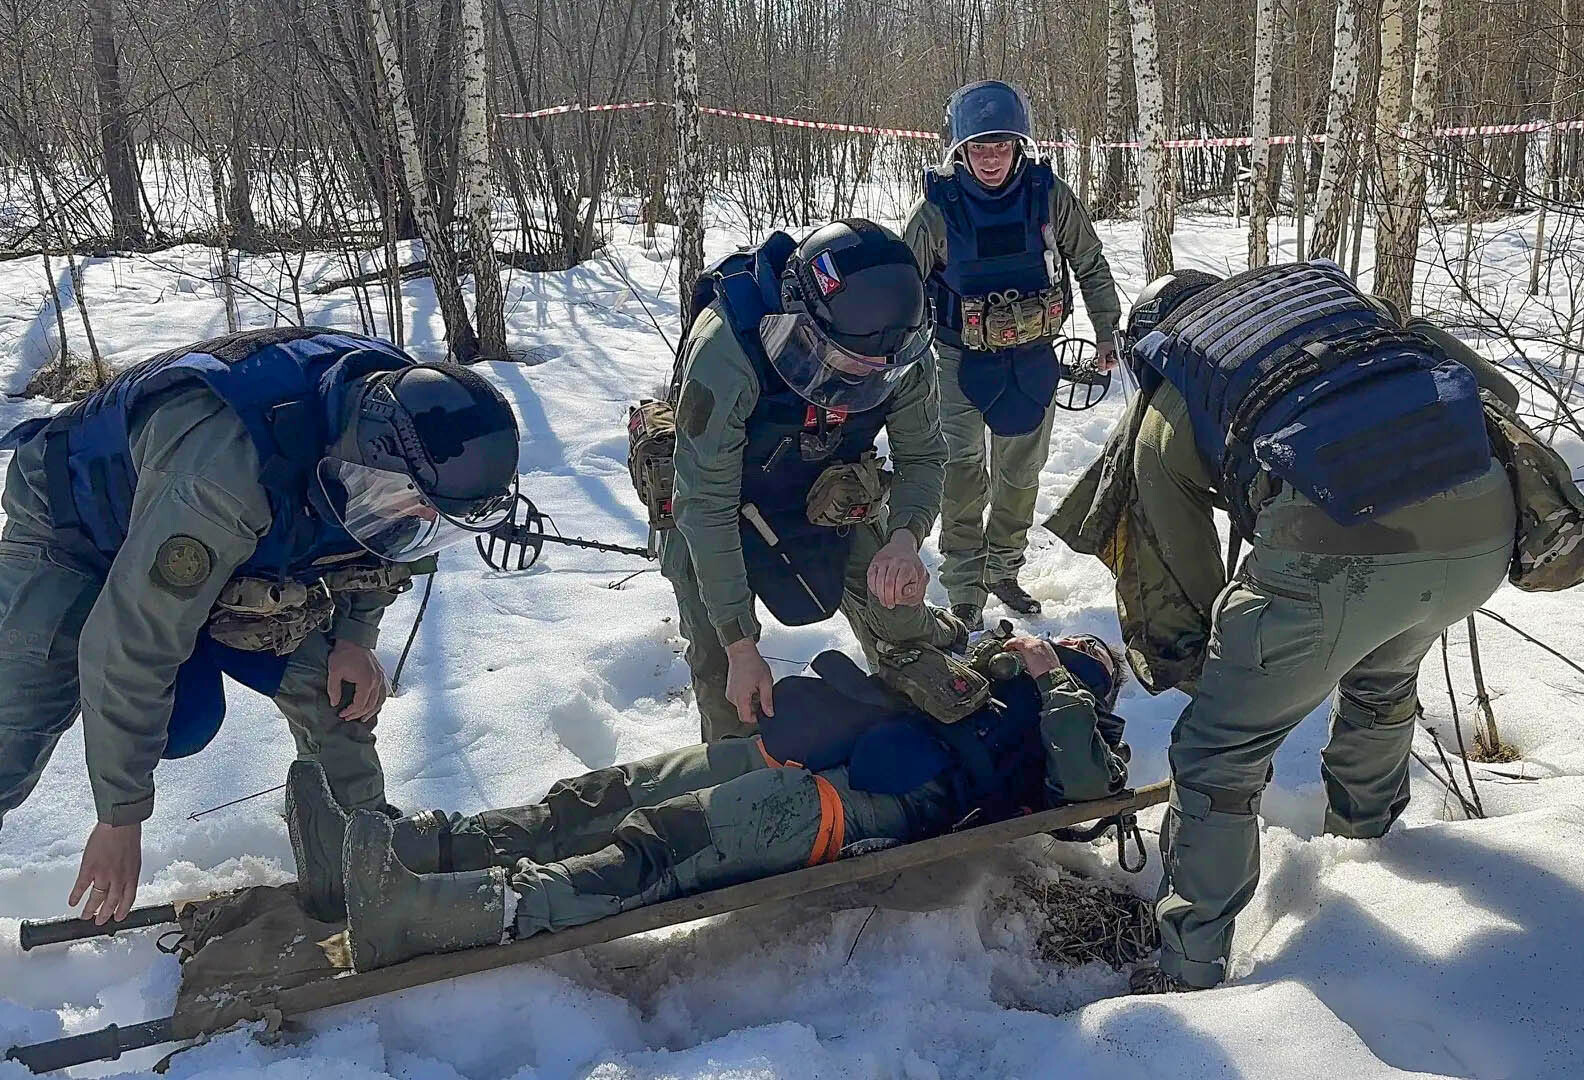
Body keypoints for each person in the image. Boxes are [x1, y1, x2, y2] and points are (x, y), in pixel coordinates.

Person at [1048, 262, 1530, 993]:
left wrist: (1226, 677)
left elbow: (1175, 563)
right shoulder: (1329, 315)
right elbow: (1497, 393)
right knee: (1382, 679)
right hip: (1485, 529)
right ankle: (1368, 857)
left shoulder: (1175, 390)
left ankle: (1188, 971)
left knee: (1218, 756)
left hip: (1334, 552)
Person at [0, 327, 521, 925]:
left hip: (233, 538)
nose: (418, 516)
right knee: (17, 722)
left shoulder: (407, 424)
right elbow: (129, 642)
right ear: (367, 457)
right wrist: (119, 818)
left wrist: (354, 639)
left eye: (432, 513)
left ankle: (366, 859)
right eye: (413, 502)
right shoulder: (226, 469)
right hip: (74, 525)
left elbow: (383, 545)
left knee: (331, 693)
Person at [280, 632, 1131, 970]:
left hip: (850, 804)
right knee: (593, 799)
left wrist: (1059, 685)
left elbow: (1086, 796)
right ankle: (402, 852)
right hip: (791, 747)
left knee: (656, 847)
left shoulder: (1076, 728)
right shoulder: (984, 665)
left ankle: (428, 913)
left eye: (1086, 652)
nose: (1062, 644)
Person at [661, 218, 968, 744]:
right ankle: (737, 772)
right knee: (727, 675)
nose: (869, 377)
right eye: (852, 364)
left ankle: (926, 736)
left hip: (831, 494)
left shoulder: (899, 346)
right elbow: (704, 503)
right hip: (718, 507)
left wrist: (904, 538)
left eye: (880, 369)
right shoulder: (726, 347)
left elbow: (922, 456)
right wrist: (740, 644)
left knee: (897, 616)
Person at [902, 80, 1123, 629]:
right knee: (961, 472)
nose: (991, 159)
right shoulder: (937, 210)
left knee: (1021, 475)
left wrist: (1106, 331)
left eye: (1001, 146)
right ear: (960, 150)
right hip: (958, 360)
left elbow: (1090, 263)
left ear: (1019, 145)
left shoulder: (1049, 196)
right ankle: (963, 587)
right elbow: (903, 290)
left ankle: (1003, 569)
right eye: (979, 148)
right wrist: (892, 363)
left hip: (1032, 357)